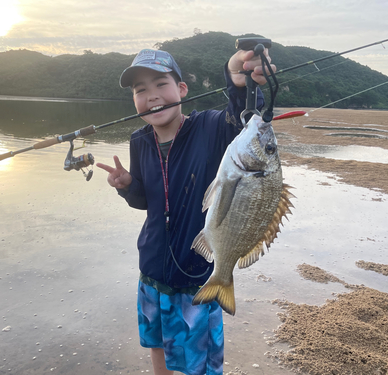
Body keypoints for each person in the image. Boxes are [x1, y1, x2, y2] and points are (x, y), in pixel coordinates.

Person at [96, 47, 275, 375]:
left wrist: (238, 80)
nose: (151, 96)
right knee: (158, 344)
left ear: (181, 90)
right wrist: (126, 186)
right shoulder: (140, 140)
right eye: (140, 90)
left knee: (201, 363)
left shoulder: (208, 128)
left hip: (196, 274)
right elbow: (146, 201)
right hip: (151, 270)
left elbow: (241, 117)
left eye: (160, 84)